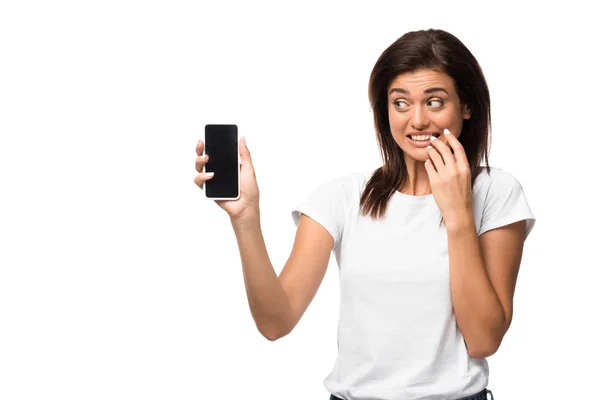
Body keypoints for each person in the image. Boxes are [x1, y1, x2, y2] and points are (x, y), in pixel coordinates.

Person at [194, 28, 535, 400]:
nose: (417, 120)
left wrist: (458, 214)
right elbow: (276, 322)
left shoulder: (496, 192)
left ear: (466, 106)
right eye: (400, 103)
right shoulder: (341, 197)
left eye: (434, 102)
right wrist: (245, 219)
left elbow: (484, 339)